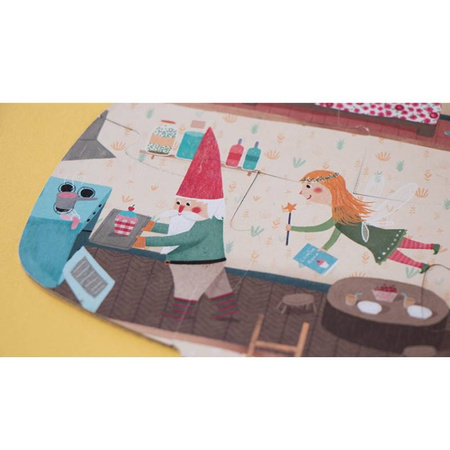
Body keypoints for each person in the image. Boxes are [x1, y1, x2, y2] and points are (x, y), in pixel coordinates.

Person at [134, 128, 238, 319]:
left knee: (186, 286)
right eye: (179, 203)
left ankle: (182, 313)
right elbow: (177, 230)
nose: (181, 209)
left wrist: (146, 241)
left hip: (195, 261)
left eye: (188, 204)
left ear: (210, 206)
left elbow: (185, 238)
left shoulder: (208, 222)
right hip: (209, 260)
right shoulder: (199, 219)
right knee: (217, 287)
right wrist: (153, 227)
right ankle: (229, 311)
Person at [286, 170, 440, 273]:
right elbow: (338, 231)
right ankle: (427, 254)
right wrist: (325, 247)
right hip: (369, 238)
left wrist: (293, 228)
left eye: (308, 186)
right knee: (396, 245)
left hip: (370, 237)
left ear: (330, 188)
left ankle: (426, 256)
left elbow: (323, 227)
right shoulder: (338, 210)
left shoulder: (341, 209)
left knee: (393, 248)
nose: (301, 192)